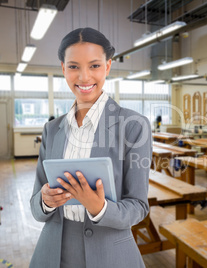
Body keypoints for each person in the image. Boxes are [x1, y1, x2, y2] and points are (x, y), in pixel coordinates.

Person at [30, 27, 152, 268]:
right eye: (74, 66)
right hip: (53, 253)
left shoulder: (133, 126)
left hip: (110, 253)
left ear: (107, 67)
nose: (84, 77)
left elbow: (138, 207)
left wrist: (100, 208)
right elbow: (35, 204)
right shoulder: (52, 130)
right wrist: (45, 200)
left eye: (94, 66)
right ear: (63, 69)